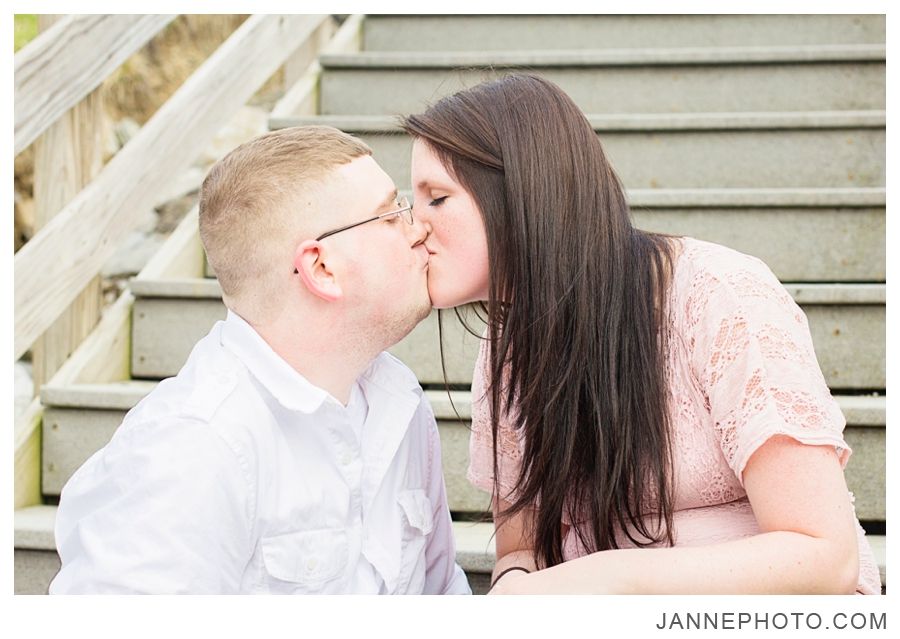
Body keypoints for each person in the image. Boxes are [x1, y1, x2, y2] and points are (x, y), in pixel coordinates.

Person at [402, 74, 881, 594]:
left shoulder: (718, 293)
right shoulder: (509, 347)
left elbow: (825, 557)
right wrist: (515, 586)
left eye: (437, 198)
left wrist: (606, 578)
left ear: (519, 189)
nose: (413, 226)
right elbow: (521, 546)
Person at [50, 126, 470, 595]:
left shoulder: (400, 403)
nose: (420, 229)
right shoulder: (192, 450)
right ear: (321, 268)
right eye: (392, 213)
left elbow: (442, 593)